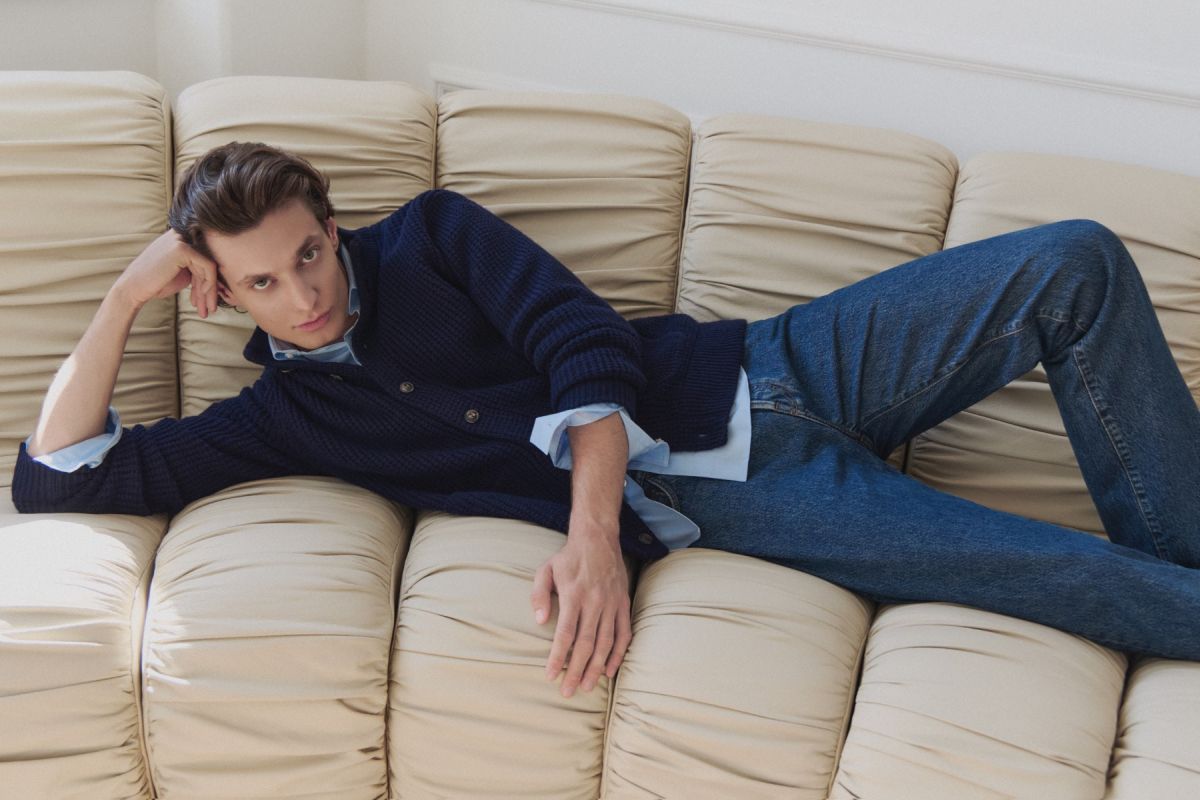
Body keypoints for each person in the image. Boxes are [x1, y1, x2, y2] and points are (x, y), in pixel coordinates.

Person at [13, 142, 1200, 700]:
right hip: (741, 497)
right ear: (221, 290)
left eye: (309, 253)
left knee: (1076, 262)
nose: (305, 295)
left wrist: (588, 535)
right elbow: (58, 477)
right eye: (264, 281)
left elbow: (583, 341)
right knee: (1060, 574)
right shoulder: (288, 414)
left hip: (772, 362)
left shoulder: (430, 235)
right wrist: (123, 297)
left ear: (331, 223)